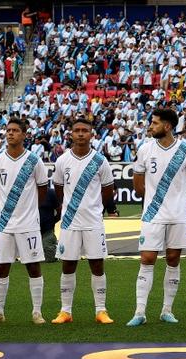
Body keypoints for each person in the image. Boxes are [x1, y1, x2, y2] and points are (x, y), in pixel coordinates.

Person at [128, 108, 186, 326]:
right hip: (152, 214)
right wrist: (152, 199)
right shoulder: (145, 150)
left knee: (173, 259)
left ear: (168, 126)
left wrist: (177, 200)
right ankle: (140, 312)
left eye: (155, 123)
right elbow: (138, 183)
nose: (151, 126)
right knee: (147, 259)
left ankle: (166, 310)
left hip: (178, 215)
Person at [0, 118, 48, 325]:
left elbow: (42, 190)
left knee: (33, 266)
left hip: (28, 224)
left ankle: (37, 312)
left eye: (15, 130)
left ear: (24, 134)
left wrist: (28, 210)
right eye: (8, 130)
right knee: (1, 267)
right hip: (4, 223)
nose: (10, 134)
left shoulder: (34, 161)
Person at [50, 116, 116, 324]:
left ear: (91, 134)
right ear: (70, 134)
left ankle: (101, 310)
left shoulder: (100, 161)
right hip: (70, 221)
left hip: (93, 221)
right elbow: (59, 189)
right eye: (76, 130)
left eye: (84, 130)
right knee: (68, 264)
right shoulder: (62, 161)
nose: (80, 133)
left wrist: (95, 209)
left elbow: (107, 190)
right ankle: (65, 311)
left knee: (97, 264)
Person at [39, 183, 59, 262]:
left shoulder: (51, 193)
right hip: (30, 230)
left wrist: (52, 222)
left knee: (49, 259)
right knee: (30, 259)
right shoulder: (27, 193)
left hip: (47, 230)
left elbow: (59, 210)